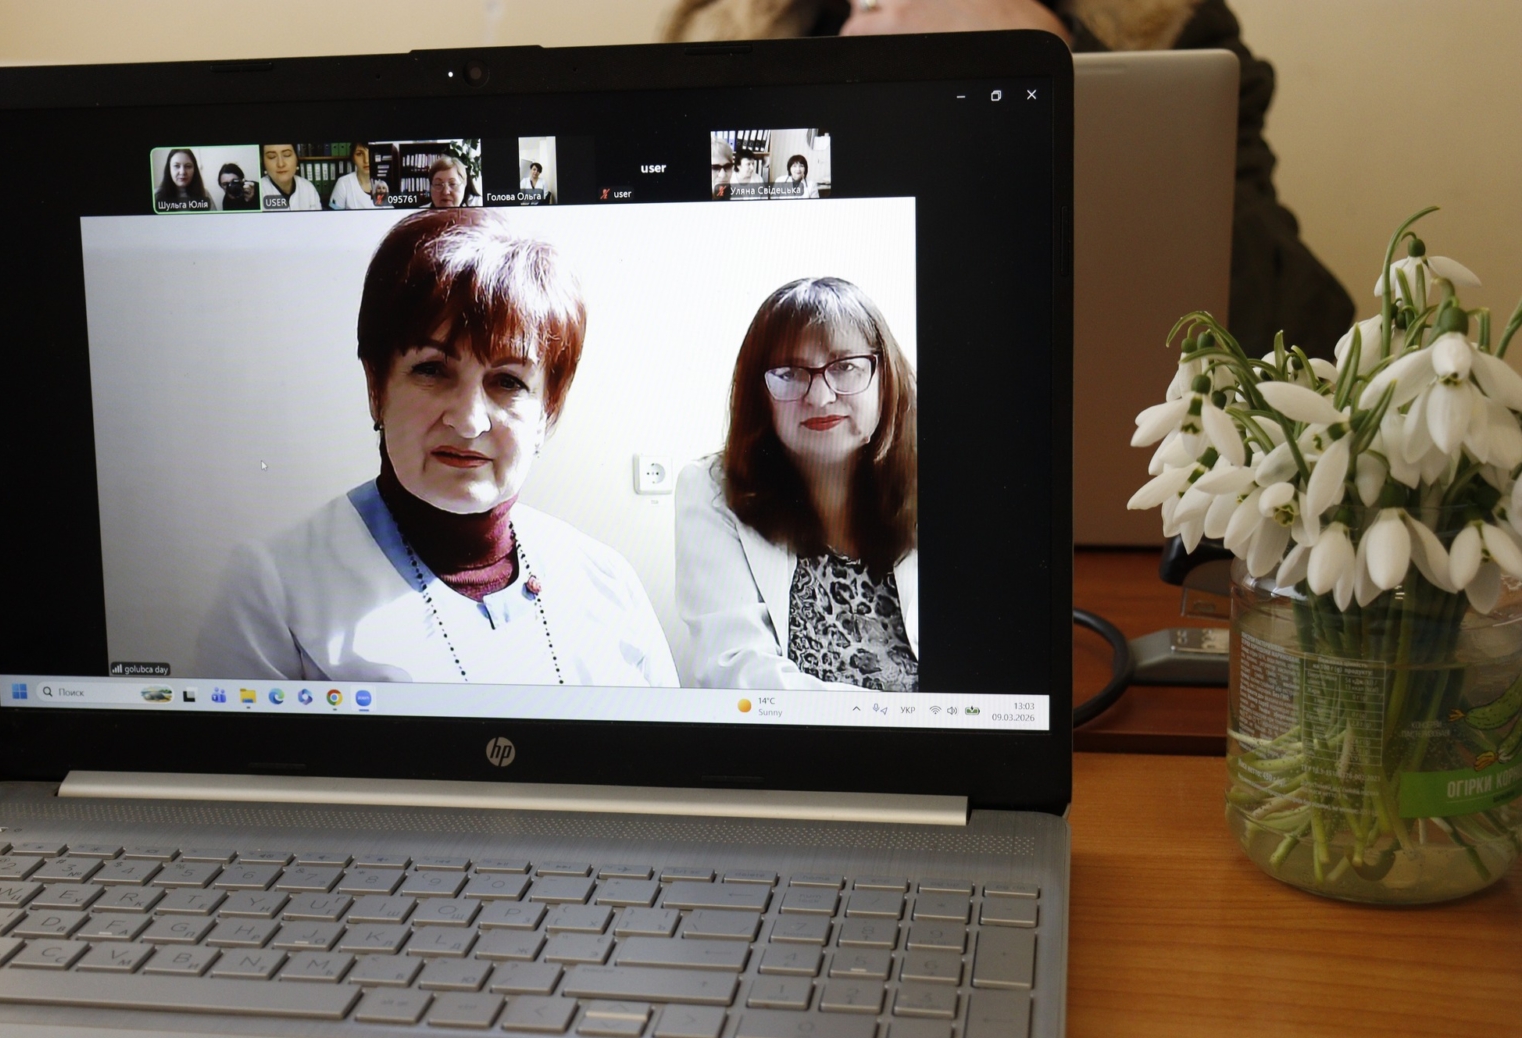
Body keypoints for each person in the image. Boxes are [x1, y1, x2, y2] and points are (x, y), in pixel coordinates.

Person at [664, 0, 1356, 360]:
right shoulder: (725, 41)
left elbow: (1296, 338)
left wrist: (1053, 56)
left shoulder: (1164, 31)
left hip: (1095, 504)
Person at [199, 211, 679, 686]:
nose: (469, 422)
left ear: (547, 409)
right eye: (432, 370)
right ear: (377, 387)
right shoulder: (271, 589)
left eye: (508, 381)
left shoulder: (608, 581)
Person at [675, 277, 918, 691]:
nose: (820, 397)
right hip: (798, 734)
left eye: (845, 367)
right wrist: (897, 716)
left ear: (884, 375)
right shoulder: (712, 490)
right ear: (759, 394)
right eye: (789, 373)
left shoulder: (941, 478)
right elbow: (735, 672)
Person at [259, 143, 322, 211]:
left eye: (287, 155)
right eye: (272, 156)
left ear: (296, 158)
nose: (281, 164)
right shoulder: (258, 191)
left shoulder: (308, 187)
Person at [330, 142, 389, 210]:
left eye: (371, 152)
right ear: (353, 158)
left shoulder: (390, 182)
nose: (366, 160)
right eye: (359, 154)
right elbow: (333, 215)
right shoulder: (343, 183)